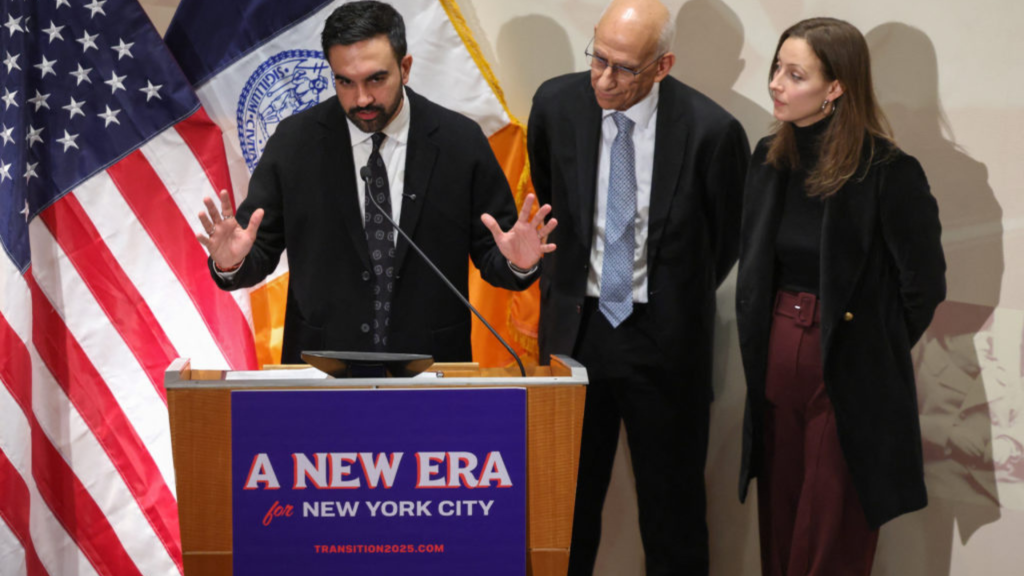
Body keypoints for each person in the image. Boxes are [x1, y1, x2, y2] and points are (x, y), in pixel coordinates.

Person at [197, 1, 556, 364]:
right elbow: (258, 251)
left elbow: (495, 255)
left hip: (432, 367)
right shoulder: (294, 143)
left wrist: (519, 263)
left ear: (405, 68)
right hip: (321, 368)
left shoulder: (460, 142)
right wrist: (231, 263)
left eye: (376, 79)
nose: (362, 98)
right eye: (345, 82)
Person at [528, 0, 750, 573]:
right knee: (563, 515)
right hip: (576, 336)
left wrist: (669, 295)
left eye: (624, 68)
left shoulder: (712, 132)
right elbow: (553, 203)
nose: (604, 79)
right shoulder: (555, 105)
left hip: (664, 343)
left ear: (662, 66)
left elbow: (723, 244)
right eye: (597, 58)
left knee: (673, 518)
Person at [735, 17, 946, 576]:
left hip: (847, 366)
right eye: (777, 68)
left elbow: (925, 285)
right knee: (780, 522)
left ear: (835, 87)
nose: (776, 83)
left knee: (829, 534)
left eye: (795, 74)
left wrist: (872, 348)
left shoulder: (888, 170)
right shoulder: (768, 156)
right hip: (777, 349)